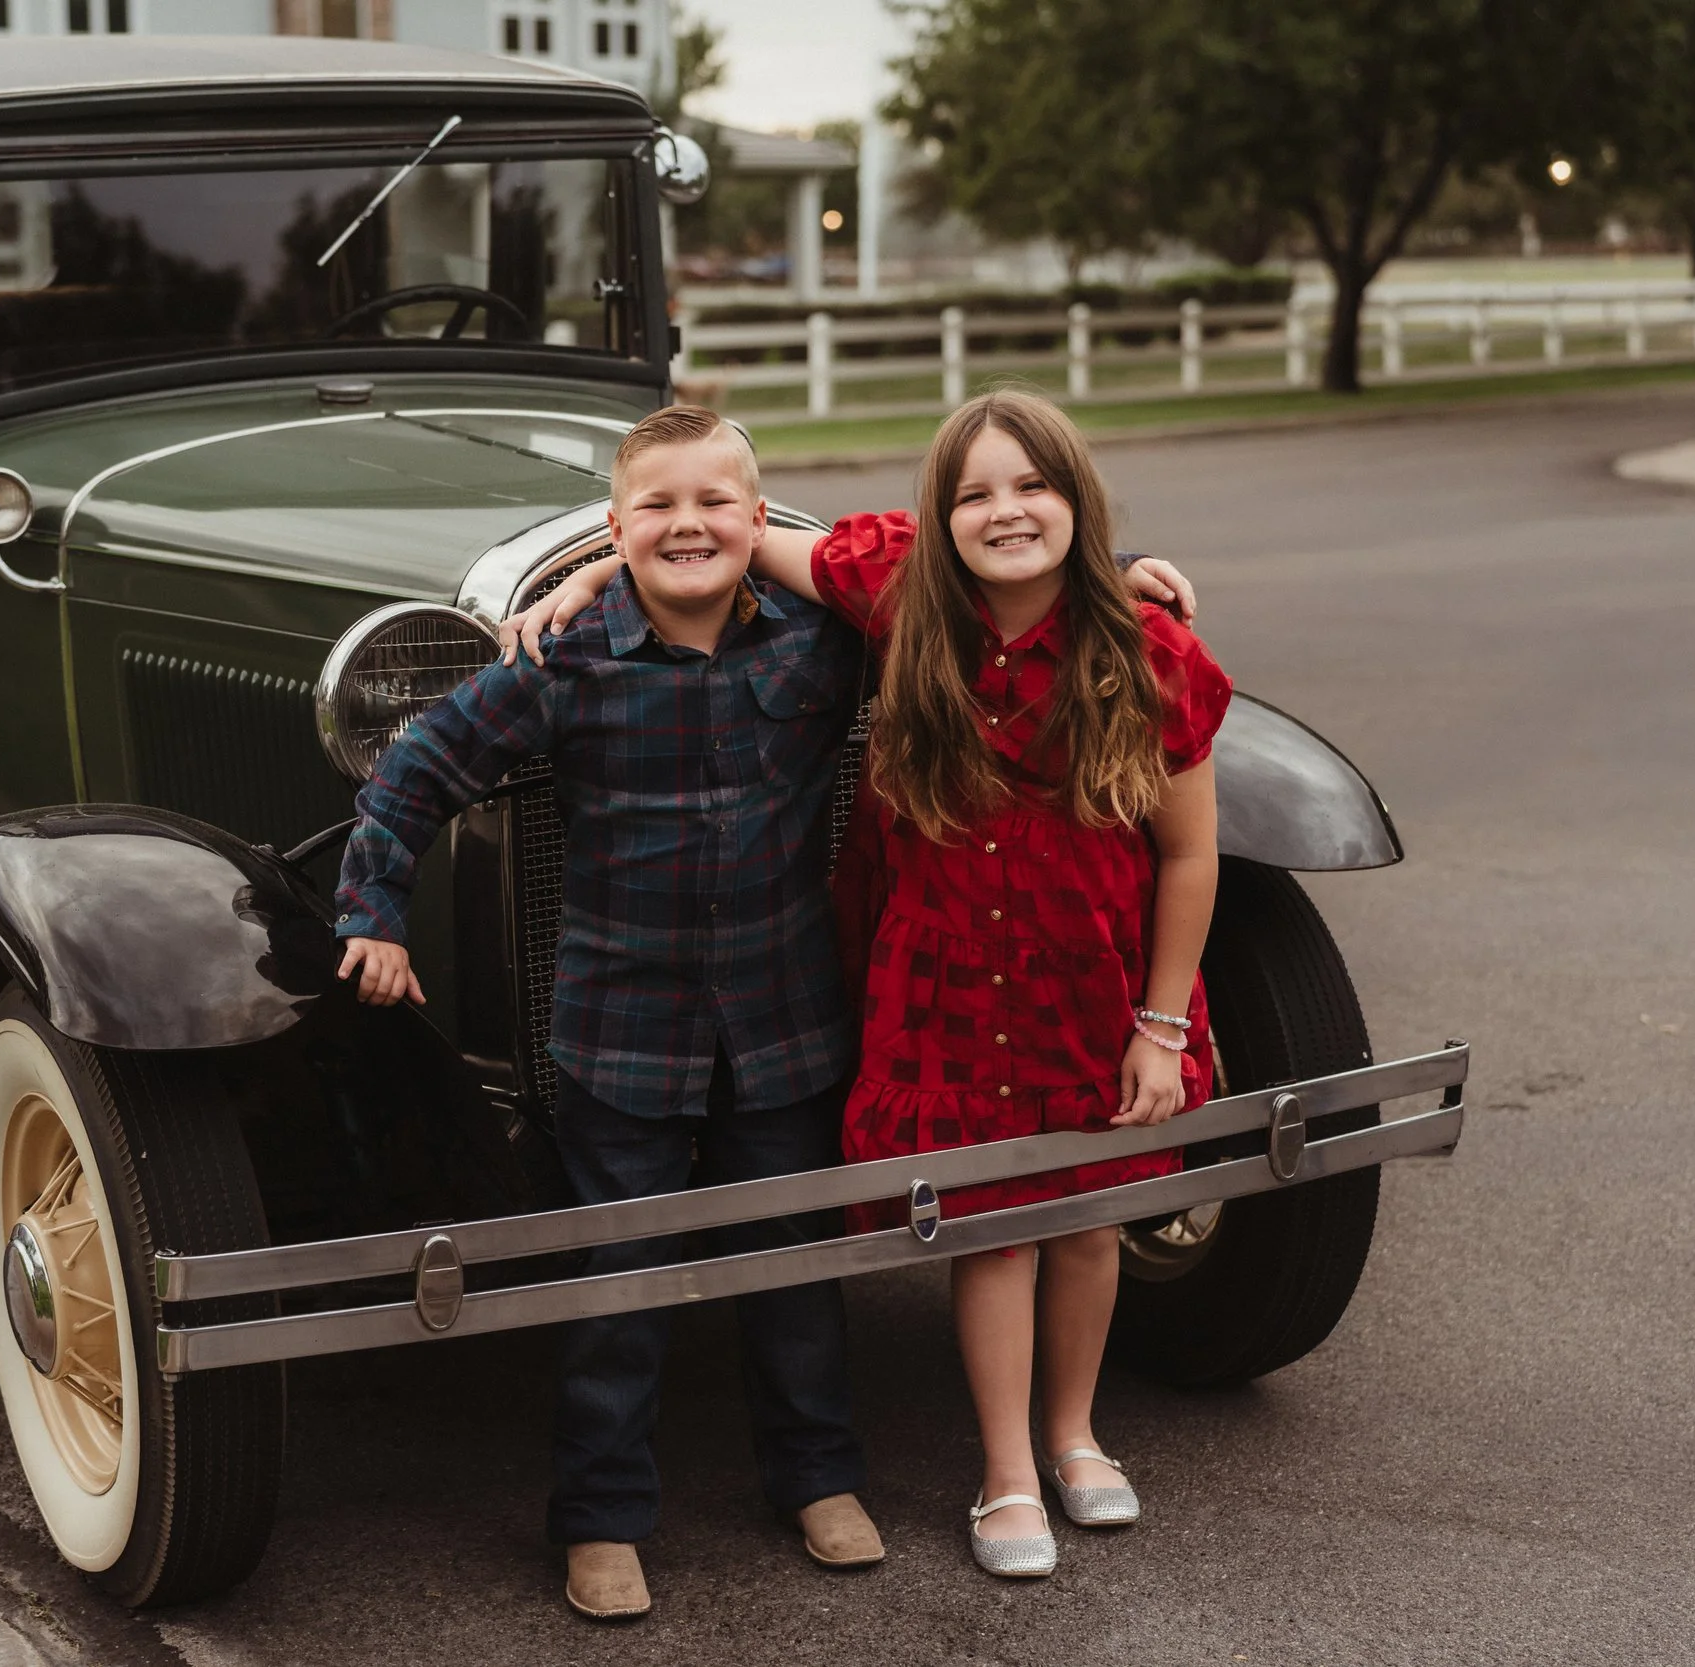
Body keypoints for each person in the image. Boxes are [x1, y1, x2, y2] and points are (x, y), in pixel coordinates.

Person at [507, 387, 1228, 1580]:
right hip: (952, 983)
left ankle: (1074, 1436)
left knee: (1089, 1216)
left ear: (1078, 500)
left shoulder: (1147, 651)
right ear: (935, 517)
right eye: (974, 493)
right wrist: (599, 570)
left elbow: (1190, 848)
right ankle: (1003, 1469)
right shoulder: (900, 597)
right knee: (992, 1229)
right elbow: (739, 534)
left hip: (1093, 982)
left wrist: (1161, 1020)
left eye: (1032, 485)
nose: (1005, 511)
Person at [333, 405, 880, 1622]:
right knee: (618, 1274)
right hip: (621, 1029)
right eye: (657, 507)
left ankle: (818, 1475)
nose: (688, 524)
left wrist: (1130, 588)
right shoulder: (560, 663)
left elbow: (967, 617)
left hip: (785, 1016)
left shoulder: (821, 643)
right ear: (619, 525)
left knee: (795, 1263)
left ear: (758, 514)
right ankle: (600, 1515)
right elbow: (416, 762)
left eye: (714, 502)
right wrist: (371, 910)